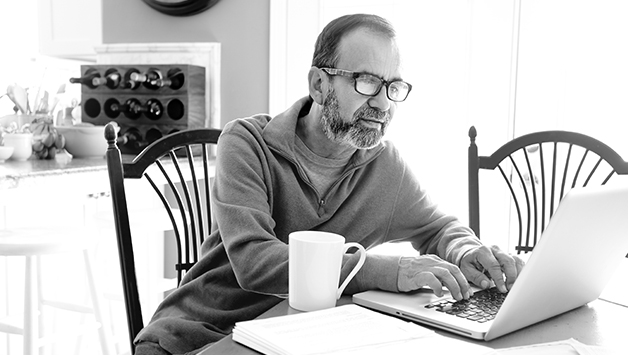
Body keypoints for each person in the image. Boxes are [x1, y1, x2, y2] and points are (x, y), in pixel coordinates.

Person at [134, 13, 525, 355]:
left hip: (302, 336)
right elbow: (255, 263)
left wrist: (465, 250)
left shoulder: (384, 165)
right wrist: (387, 271)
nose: (384, 104)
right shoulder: (246, 143)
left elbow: (437, 227)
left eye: (393, 87)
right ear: (319, 84)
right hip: (200, 336)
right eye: (368, 82)